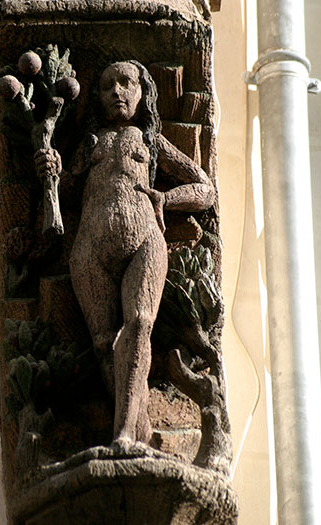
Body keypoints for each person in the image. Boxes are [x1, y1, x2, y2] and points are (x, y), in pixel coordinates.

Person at [35, 61, 215, 451]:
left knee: (137, 324)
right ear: (97, 98)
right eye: (106, 85)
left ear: (142, 91)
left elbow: (205, 189)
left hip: (144, 240)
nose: (117, 91)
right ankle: (138, 428)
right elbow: (59, 196)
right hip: (90, 247)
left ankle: (121, 435)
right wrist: (52, 171)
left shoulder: (149, 140)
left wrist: (168, 198)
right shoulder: (90, 144)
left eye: (125, 82)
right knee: (103, 343)